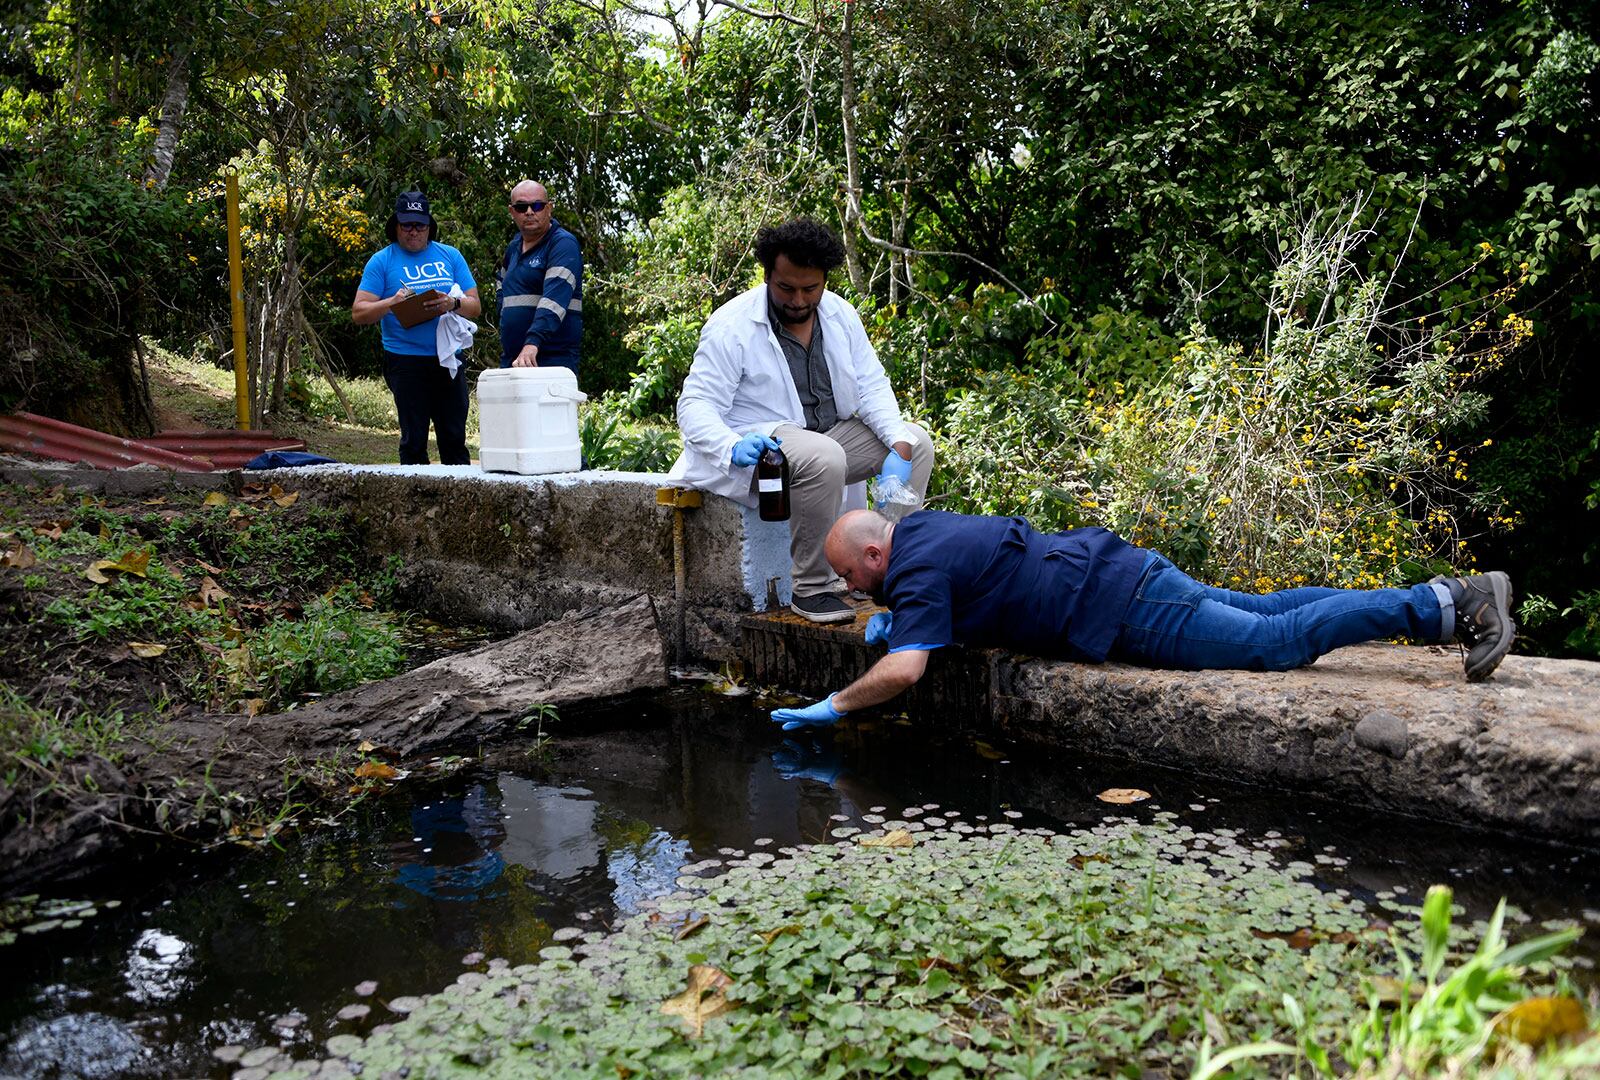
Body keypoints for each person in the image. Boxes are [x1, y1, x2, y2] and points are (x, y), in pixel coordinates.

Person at [770, 509, 1516, 730]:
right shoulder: (920, 532)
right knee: (1265, 611)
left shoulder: (914, 569)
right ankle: (1448, 599)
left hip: (1121, 605)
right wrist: (899, 618)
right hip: (1124, 572)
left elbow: (906, 669)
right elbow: (974, 591)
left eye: (850, 575)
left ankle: (1447, 604)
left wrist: (834, 706)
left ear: (875, 552)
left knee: (1270, 645)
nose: (851, 589)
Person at [670, 218, 934, 624]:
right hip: (765, 448)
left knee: (915, 443)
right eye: (786, 288)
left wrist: (896, 442)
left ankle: (891, 567)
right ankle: (812, 588)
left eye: (810, 289)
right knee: (822, 454)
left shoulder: (841, 315)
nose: (798, 300)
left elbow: (871, 385)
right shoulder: (731, 326)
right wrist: (729, 446)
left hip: (827, 438)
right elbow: (695, 405)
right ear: (767, 276)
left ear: (825, 280)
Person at [352, 190, 482, 465]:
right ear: (396, 226)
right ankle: (415, 502)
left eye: (419, 225)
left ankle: (457, 500)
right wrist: (393, 302)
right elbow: (359, 313)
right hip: (405, 360)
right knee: (413, 440)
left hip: (449, 359)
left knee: (454, 438)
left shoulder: (451, 255)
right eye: (406, 225)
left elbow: (475, 306)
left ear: (429, 226)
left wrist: (452, 303)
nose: (413, 232)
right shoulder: (382, 261)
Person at [496, 180, 583, 373]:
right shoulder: (513, 248)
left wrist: (532, 342)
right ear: (512, 212)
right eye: (521, 207)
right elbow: (501, 287)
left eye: (537, 205)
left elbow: (554, 300)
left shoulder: (562, 244)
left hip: (552, 360)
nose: (529, 211)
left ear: (549, 208)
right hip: (513, 359)